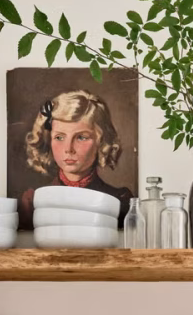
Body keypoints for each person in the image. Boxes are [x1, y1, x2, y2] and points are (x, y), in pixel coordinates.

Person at [19, 90, 132, 229]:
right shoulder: (33, 201)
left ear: (101, 142)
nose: (68, 148)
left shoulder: (119, 199)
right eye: (59, 137)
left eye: (81, 137)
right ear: (49, 140)